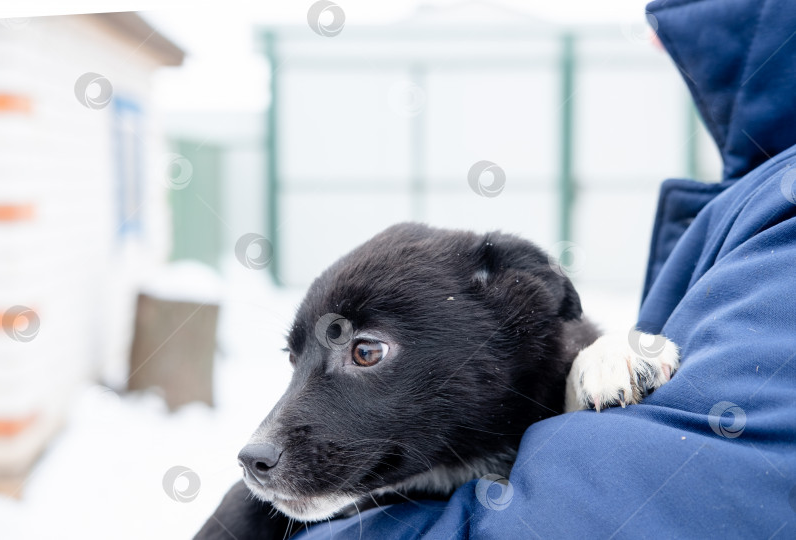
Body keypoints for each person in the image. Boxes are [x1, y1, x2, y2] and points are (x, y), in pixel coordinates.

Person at [292, 0, 796, 537]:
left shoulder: (779, 212)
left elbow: (635, 499)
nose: (657, 27)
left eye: (366, 352)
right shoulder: (754, 190)